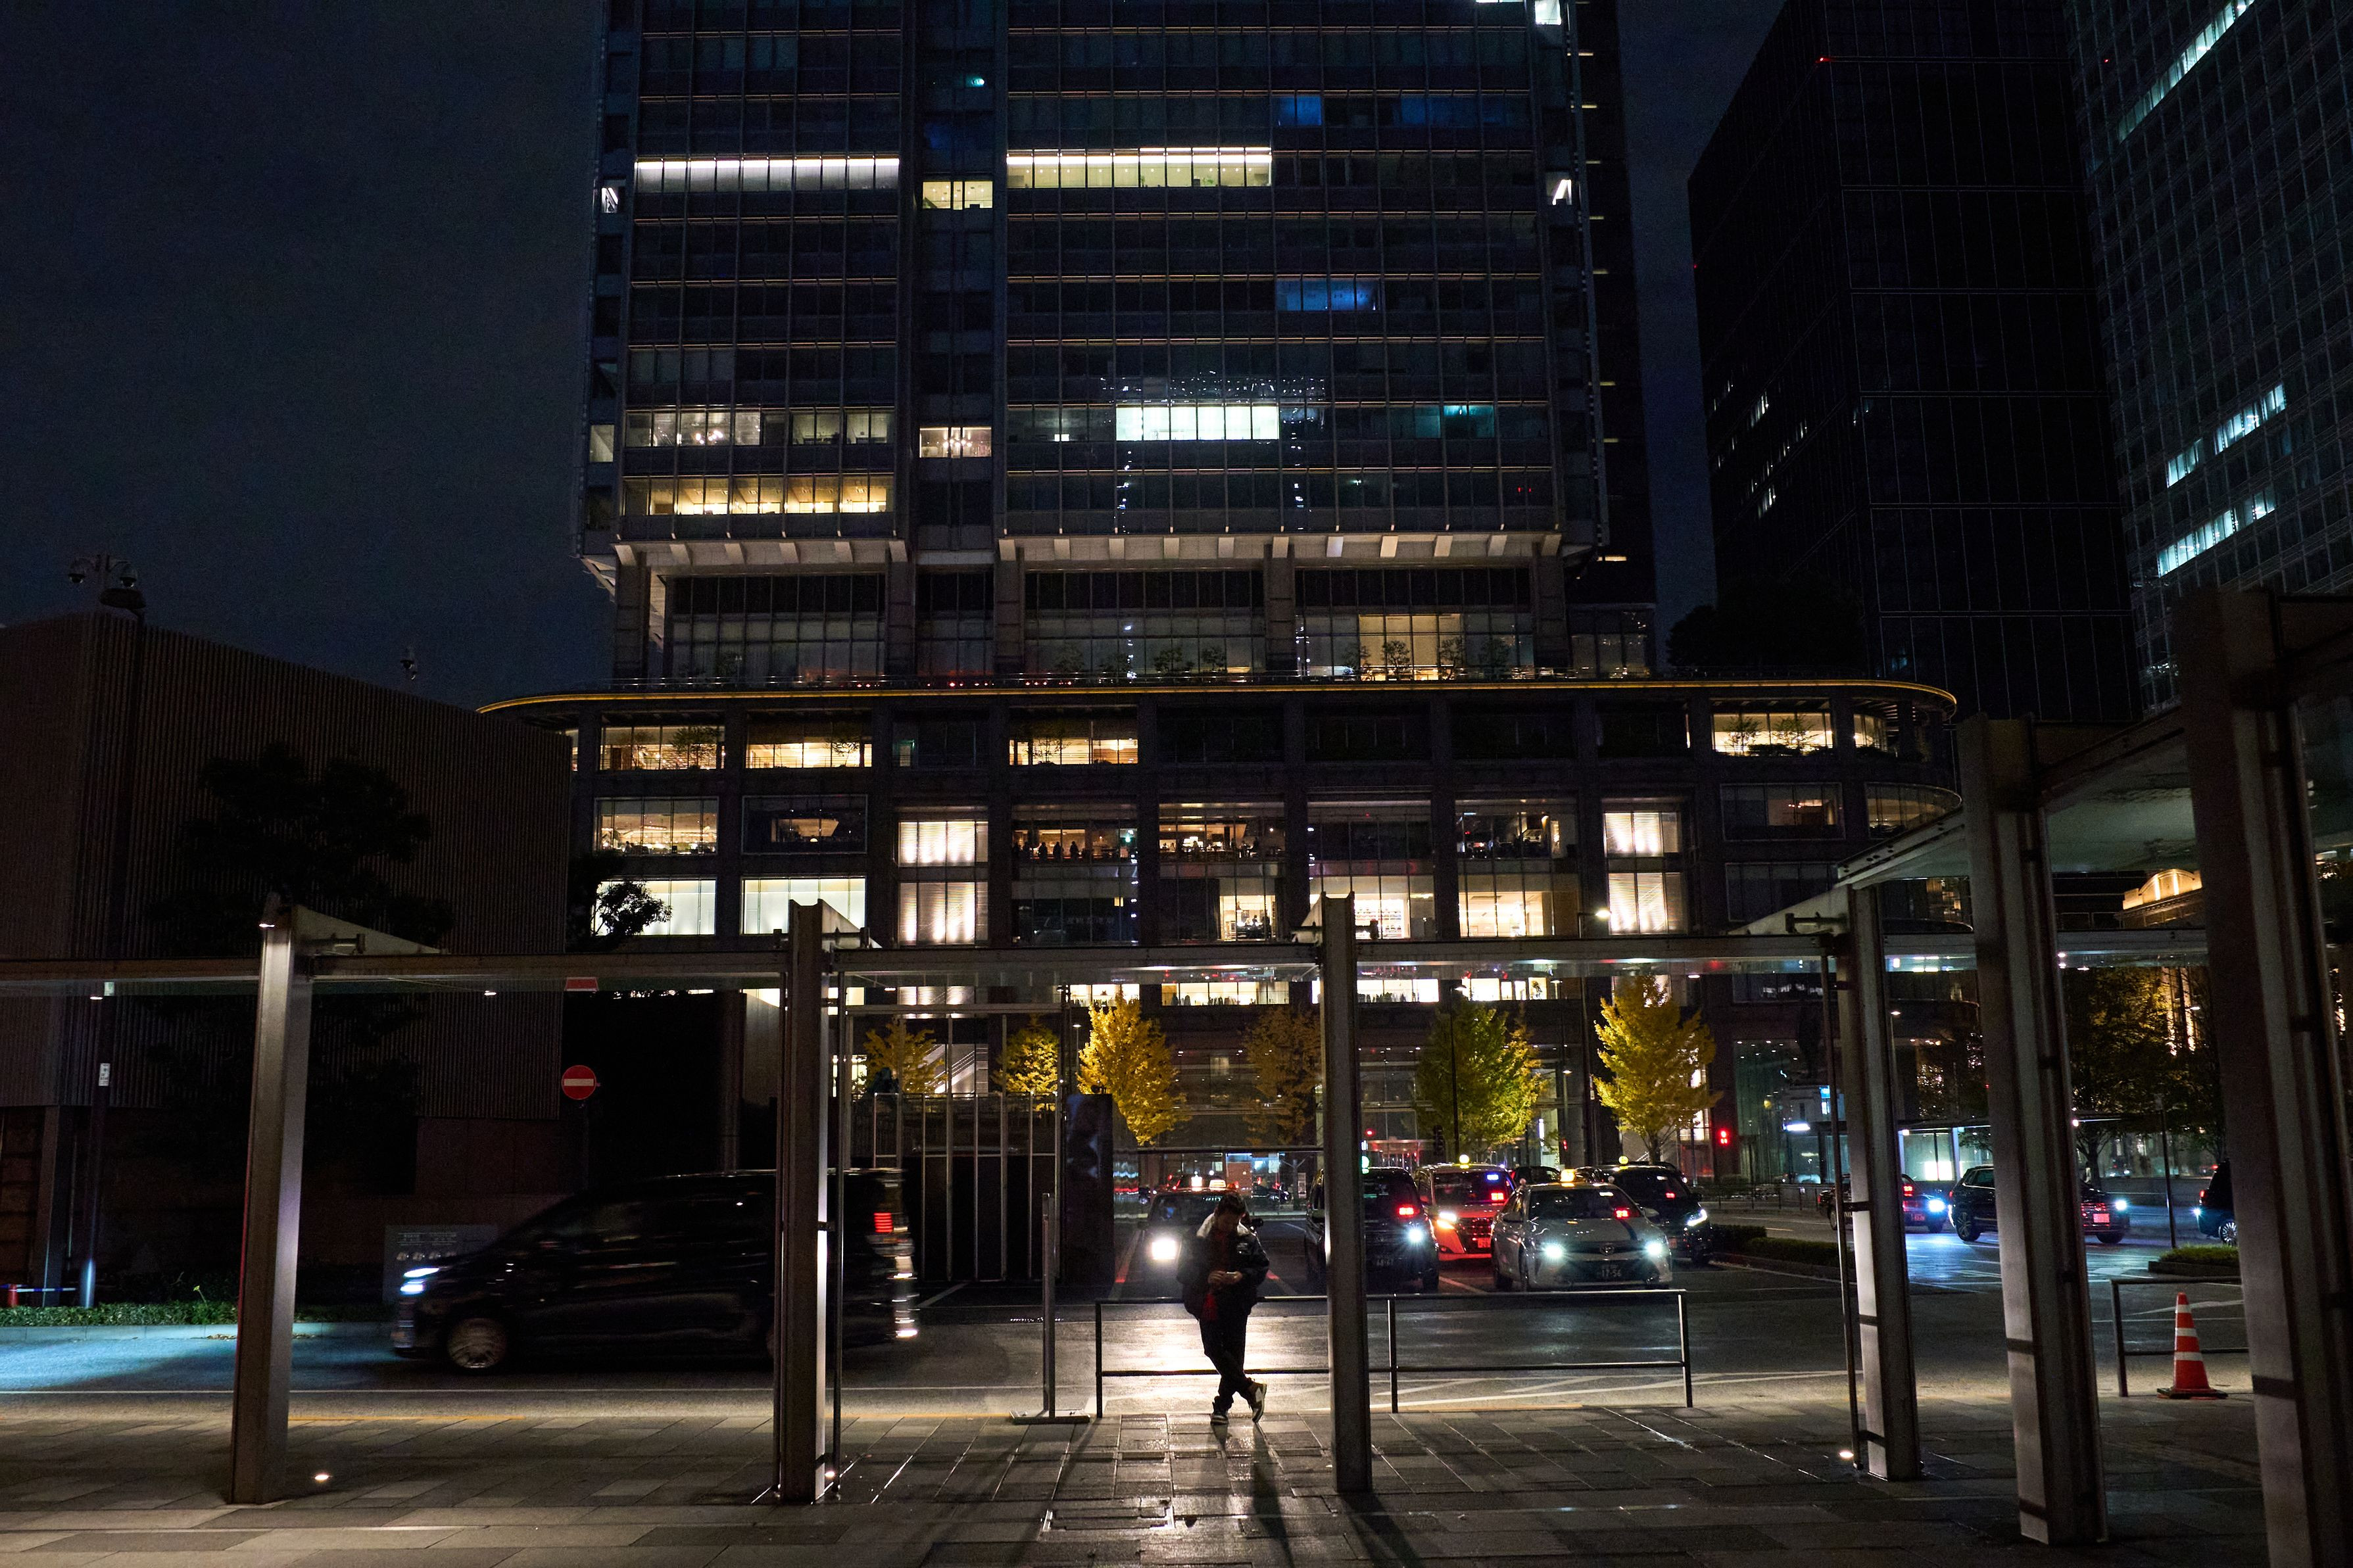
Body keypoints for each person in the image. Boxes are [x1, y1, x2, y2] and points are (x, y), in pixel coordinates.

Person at [1178, 1192, 1270, 1421]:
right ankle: (1251, 1389)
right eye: (1227, 1221)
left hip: (1237, 1302)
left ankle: (1222, 1407)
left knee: (1234, 1355)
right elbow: (1183, 1270)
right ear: (1217, 1214)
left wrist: (1241, 1275)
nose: (1230, 1227)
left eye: (1235, 1222)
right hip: (1208, 1301)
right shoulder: (1196, 1237)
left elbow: (1261, 1266)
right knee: (1213, 1348)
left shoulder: (1247, 1238)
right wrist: (1207, 1277)